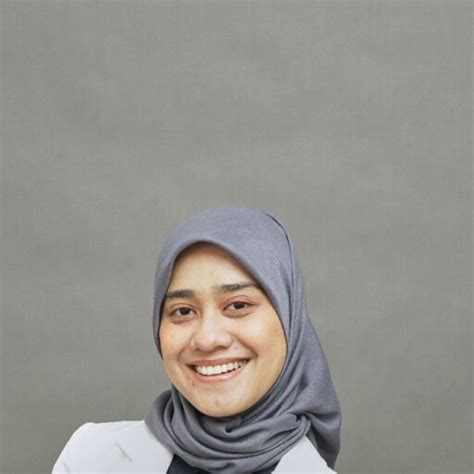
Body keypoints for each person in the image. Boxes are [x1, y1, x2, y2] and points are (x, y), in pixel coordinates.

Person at [53, 207, 341, 473]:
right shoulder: (88, 458)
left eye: (238, 305)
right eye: (183, 311)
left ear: (290, 318)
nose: (208, 339)